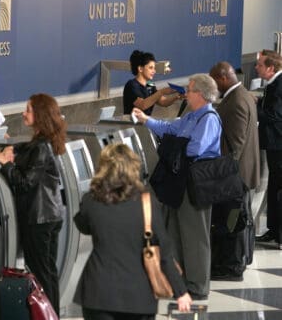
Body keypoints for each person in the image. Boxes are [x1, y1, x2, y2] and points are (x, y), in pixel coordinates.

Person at [73, 143, 192, 320]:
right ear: (133, 167)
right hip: (139, 296)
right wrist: (180, 292)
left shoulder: (91, 199)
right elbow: (165, 253)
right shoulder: (147, 202)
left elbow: (83, 225)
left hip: (98, 293)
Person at [133, 73, 222, 300]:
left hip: (196, 183)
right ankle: (179, 281)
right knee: (176, 232)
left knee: (195, 235)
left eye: (189, 90)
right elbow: (171, 129)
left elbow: (195, 149)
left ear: (200, 94)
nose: (185, 93)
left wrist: (175, 143)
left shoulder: (209, 118)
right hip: (179, 183)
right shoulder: (192, 116)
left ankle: (198, 286)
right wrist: (146, 120)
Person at [0, 93, 65, 315]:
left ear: (40, 115)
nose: (23, 113)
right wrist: (14, 149)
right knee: (48, 273)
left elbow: (24, 183)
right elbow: (30, 152)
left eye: (28, 110)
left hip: (38, 219)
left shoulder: (41, 147)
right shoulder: (44, 143)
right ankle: (53, 315)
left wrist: (4, 164)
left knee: (42, 276)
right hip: (51, 215)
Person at [209, 61, 261, 280]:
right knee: (238, 219)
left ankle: (232, 266)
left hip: (235, 177)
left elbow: (235, 146)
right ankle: (236, 261)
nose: (213, 86)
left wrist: (222, 175)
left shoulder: (236, 101)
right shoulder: (243, 95)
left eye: (213, 81)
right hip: (240, 174)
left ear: (222, 77)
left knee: (233, 221)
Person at [254, 50, 282, 244]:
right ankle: (274, 230)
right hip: (275, 145)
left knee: (278, 187)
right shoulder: (275, 84)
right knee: (274, 185)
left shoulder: (278, 86)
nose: (256, 68)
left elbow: (274, 116)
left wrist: (255, 107)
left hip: (278, 144)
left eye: (260, 65)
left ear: (271, 68)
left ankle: (278, 233)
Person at [123, 50, 181, 115]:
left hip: (145, 123)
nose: (154, 71)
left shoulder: (150, 85)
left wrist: (177, 97)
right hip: (131, 124)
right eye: (151, 68)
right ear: (140, 69)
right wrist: (162, 92)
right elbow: (142, 105)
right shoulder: (131, 85)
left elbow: (163, 102)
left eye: (154, 68)